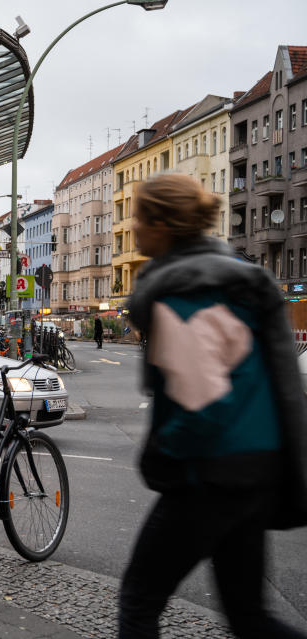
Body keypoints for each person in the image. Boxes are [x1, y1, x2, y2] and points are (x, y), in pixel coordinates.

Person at [119, 173, 307, 639]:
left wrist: (161, 455)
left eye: (140, 216)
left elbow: (202, 401)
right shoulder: (236, 280)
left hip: (209, 475)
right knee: (248, 616)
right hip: (259, 469)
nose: (135, 227)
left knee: (140, 601)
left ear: (163, 224)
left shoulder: (182, 290)